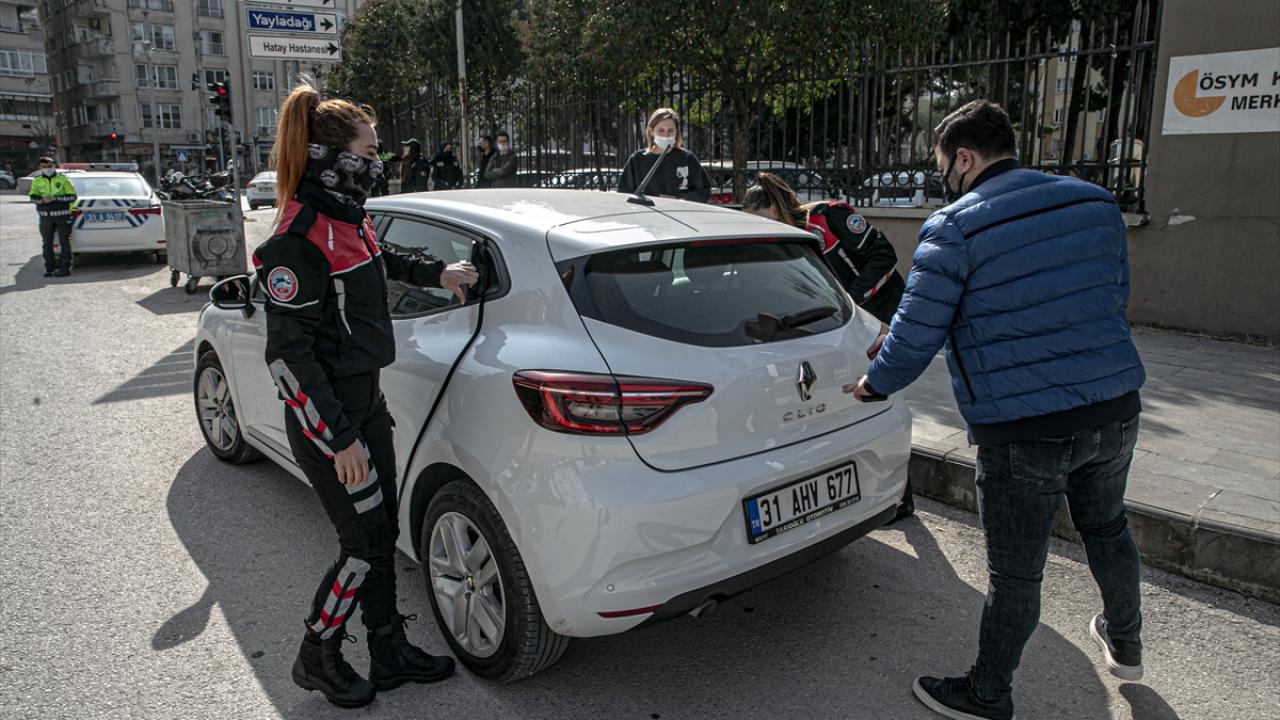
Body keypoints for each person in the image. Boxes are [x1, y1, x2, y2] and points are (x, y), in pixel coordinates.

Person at [852, 100, 1146, 720]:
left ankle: (987, 694)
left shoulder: (954, 227)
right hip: (1115, 408)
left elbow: (917, 332)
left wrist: (874, 386)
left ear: (964, 157)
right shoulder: (1095, 203)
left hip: (1022, 429)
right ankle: (1126, 642)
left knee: (1016, 575)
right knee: (1107, 527)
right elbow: (1111, 297)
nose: (943, 179)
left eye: (942, 166)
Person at [257, 83, 478, 708]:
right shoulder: (296, 239)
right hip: (333, 421)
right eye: (370, 152)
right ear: (333, 158)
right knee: (363, 547)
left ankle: (388, 650)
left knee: (381, 534)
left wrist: (439, 272)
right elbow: (288, 360)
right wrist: (340, 440)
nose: (378, 163)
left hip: (367, 403)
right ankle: (317, 654)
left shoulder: (348, 217)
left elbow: (384, 258)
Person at [741, 172, 905, 325]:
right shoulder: (782, 242)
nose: (755, 227)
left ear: (774, 210)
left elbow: (884, 256)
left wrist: (851, 299)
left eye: (757, 220)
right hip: (843, 322)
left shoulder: (828, 216)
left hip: (886, 309)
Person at [617, 108, 710, 202]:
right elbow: (624, 194)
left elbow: (703, 193)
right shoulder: (637, 160)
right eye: (661, 130)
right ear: (651, 131)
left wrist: (677, 199)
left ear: (676, 132)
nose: (666, 135)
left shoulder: (688, 159)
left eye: (670, 130)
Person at [28, 156, 77, 277]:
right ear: (40, 168)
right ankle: (49, 269)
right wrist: (42, 200)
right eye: (44, 167)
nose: (47, 168)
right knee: (47, 244)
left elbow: (72, 197)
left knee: (65, 243)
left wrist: (55, 198)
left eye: (50, 166)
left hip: (62, 216)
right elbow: (32, 198)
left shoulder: (63, 179)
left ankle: (65, 268)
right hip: (45, 217)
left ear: (54, 166)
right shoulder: (36, 181)